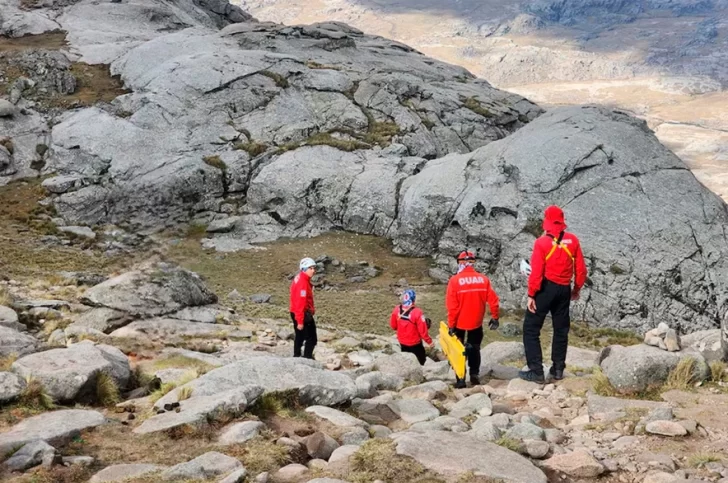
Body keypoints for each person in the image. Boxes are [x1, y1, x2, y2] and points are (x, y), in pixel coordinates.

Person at [519, 205, 587, 383]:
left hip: (545, 289)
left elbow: (537, 273)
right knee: (561, 330)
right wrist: (576, 289)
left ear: (547, 220)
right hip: (564, 289)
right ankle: (558, 369)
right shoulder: (573, 240)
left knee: (531, 328)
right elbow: (581, 270)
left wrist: (531, 294)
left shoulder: (541, 242)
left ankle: (536, 371)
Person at [446, 250, 500, 388]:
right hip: (476, 322)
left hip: (459, 322)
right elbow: (493, 301)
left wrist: (451, 325)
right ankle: (474, 375)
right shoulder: (483, 279)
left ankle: (460, 379)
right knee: (475, 348)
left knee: (458, 350)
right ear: (473, 263)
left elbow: (453, 307)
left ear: (460, 263)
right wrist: (495, 317)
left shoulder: (454, 281)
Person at [390, 289, 432, 365]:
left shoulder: (397, 309)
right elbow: (422, 331)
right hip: (415, 343)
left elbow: (393, 326)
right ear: (413, 299)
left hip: (402, 342)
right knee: (421, 361)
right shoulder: (417, 312)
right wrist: (429, 341)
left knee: (406, 361)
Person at [289, 257, 318, 359]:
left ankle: (296, 355)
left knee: (300, 336)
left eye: (314, 268)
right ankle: (307, 358)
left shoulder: (299, 278)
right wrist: (300, 321)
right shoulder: (303, 283)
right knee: (312, 338)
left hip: (295, 312)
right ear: (304, 269)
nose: (313, 271)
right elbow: (300, 302)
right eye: (311, 268)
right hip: (302, 313)